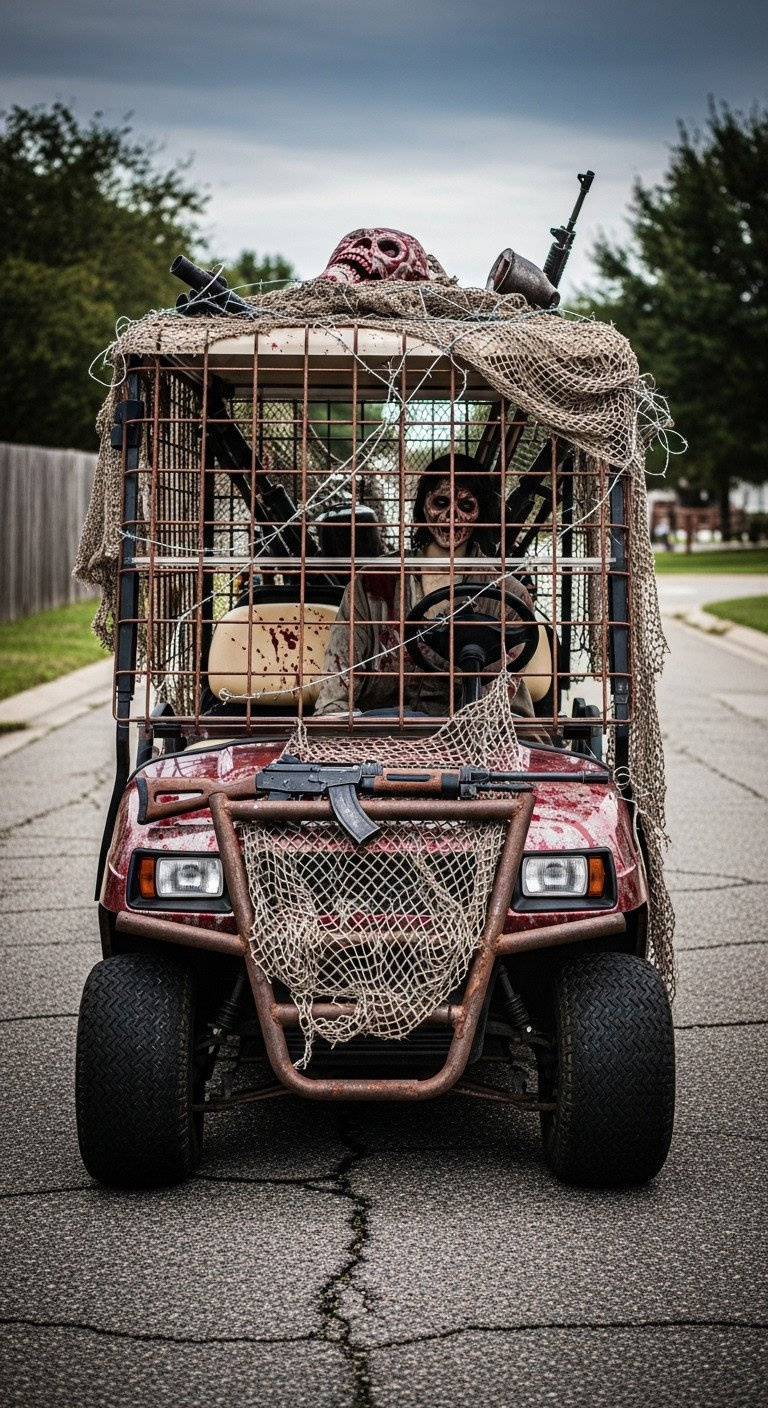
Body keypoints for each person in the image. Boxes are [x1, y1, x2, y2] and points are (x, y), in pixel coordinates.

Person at [313, 453, 541, 722]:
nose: (451, 517)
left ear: (481, 514)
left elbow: (498, 700)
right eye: (441, 502)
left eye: (466, 506)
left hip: (473, 733)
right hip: (382, 731)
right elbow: (337, 690)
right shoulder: (372, 583)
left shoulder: (509, 596)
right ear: (423, 506)